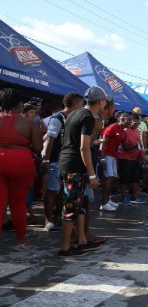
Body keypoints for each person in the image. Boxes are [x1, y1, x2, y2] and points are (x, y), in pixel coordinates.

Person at [58, 86, 109, 256]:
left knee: (79, 205)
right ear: (100, 102)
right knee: (71, 207)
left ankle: (81, 240)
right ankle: (65, 248)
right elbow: (83, 148)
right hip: (73, 166)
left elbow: (81, 142)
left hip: (67, 163)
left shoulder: (75, 113)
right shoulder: (87, 117)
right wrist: (92, 174)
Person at [0, 88, 42, 245]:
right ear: (19, 104)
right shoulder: (29, 124)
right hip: (21, 161)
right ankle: (21, 238)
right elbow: (38, 148)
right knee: (18, 202)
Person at [42, 92, 84, 231]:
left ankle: (58, 218)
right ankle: (48, 220)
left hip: (65, 161)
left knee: (62, 192)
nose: (82, 107)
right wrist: (46, 160)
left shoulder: (72, 118)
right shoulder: (58, 118)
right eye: (81, 104)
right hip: (55, 160)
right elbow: (50, 139)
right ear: (76, 104)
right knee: (52, 191)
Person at [99, 113, 127, 211]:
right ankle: (103, 203)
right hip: (107, 155)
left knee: (114, 178)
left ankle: (108, 200)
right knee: (109, 178)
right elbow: (103, 142)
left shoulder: (123, 132)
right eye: (126, 119)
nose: (128, 121)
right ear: (119, 118)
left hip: (114, 156)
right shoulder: (112, 127)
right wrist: (102, 158)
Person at [118, 114, 144, 205]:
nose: (137, 125)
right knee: (124, 179)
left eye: (138, 123)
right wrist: (135, 146)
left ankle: (134, 197)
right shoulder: (125, 131)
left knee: (135, 179)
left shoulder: (137, 131)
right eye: (136, 123)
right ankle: (123, 198)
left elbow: (139, 145)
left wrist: (142, 155)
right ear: (131, 121)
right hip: (125, 158)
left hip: (135, 159)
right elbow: (125, 147)